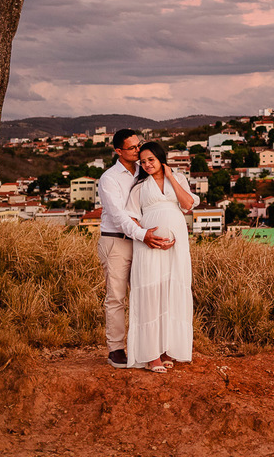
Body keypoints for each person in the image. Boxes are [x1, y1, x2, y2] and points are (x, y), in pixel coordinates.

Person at [96, 129, 174, 369]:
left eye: (139, 145)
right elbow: (119, 216)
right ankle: (116, 350)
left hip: (143, 242)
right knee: (116, 297)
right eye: (132, 148)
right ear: (118, 151)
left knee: (147, 294)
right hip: (117, 241)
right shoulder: (109, 178)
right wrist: (143, 234)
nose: (138, 150)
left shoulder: (145, 170)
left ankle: (151, 348)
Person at [126, 141, 198, 372]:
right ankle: (151, 355)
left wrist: (170, 177)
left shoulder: (178, 179)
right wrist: (147, 236)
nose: (147, 164)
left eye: (151, 159)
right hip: (149, 246)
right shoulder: (139, 187)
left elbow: (187, 204)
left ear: (161, 159)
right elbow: (131, 217)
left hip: (177, 246)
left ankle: (167, 349)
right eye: (143, 161)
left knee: (171, 292)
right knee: (151, 294)